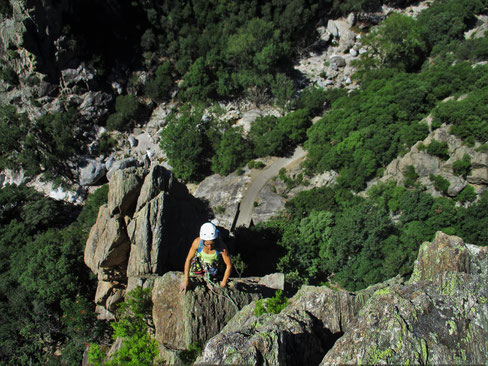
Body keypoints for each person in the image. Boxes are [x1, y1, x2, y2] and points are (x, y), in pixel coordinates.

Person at [180, 222, 232, 292]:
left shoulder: (222, 247)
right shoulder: (197, 242)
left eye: (212, 244)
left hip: (212, 271)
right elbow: (188, 259)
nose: (210, 247)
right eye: (207, 244)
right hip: (197, 267)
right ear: (203, 240)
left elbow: (229, 265)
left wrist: (223, 282)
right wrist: (186, 279)